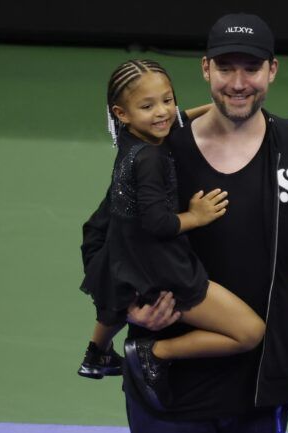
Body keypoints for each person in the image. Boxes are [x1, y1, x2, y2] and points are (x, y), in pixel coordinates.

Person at [80, 14, 288, 432]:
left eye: (252, 68)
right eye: (226, 68)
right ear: (205, 68)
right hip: (169, 393)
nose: (239, 82)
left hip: (261, 388)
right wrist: (130, 308)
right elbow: (104, 235)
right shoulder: (160, 151)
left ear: (273, 70)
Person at [78, 58, 267, 410]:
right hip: (161, 269)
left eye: (167, 100)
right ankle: (152, 354)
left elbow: (176, 118)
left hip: (125, 256)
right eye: (148, 105)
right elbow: (158, 223)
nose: (163, 112)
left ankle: (96, 354)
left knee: (112, 306)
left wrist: (221, 104)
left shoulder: (133, 136)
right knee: (250, 332)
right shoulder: (149, 159)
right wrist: (196, 216)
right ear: (121, 113)